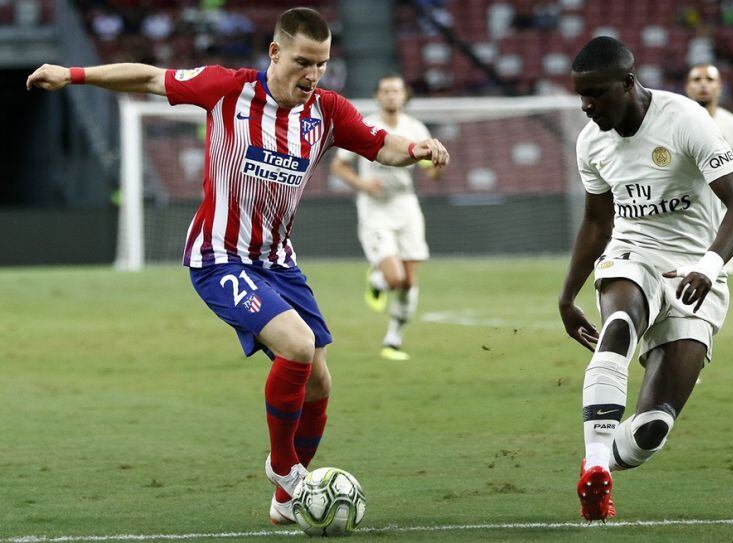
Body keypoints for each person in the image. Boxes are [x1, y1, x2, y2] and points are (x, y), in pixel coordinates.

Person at [27, 7, 449, 525]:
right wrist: (72, 74)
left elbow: (379, 144)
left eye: (321, 64)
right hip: (218, 257)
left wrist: (419, 148)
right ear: (275, 52)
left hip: (278, 262)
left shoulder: (328, 111)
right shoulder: (225, 89)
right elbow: (149, 77)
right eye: (302, 62)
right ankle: (288, 474)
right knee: (296, 345)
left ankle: (283, 504)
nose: (312, 75)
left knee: (319, 383)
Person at [558, 37, 733, 522]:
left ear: (628, 82)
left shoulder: (685, 119)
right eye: (581, 95)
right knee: (620, 322)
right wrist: (567, 296)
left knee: (651, 430)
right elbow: (598, 223)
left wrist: (708, 268)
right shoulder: (591, 140)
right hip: (633, 253)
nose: (587, 106)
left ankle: (600, 460)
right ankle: (598, 468)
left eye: (597, 94)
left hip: (697, 267)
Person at [330, 75, 441, 361]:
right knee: (395, 277)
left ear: (405, 96)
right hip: (375, 207)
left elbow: (430, 172)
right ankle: (378, 279)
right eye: (386, 91)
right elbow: (339, 166)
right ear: (377, 96)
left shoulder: (415, 128)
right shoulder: (365, 125)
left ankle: (393, 341)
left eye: (396, 91)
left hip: (406, 206)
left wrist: (439, 166)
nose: (391, 96)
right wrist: (363, 185)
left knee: (408, 282)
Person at [685, 63, 733, 274]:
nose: (703, 85)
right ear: (687, 87)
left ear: (719, 87)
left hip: (720, 218)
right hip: (681, 213)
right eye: (696, 79)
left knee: (713, 280)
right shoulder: (673, 124)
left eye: (709, 80)